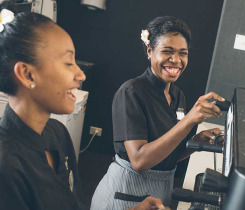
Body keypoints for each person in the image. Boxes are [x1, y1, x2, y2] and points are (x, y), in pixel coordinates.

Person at [0, 2, 168, 210]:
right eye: (68, 63)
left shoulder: (57, 132)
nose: (80, 75)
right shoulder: (6, 167)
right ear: (27, 74)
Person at [91, 16, 225, 210]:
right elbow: (139, 161)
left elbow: (167, 153)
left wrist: (196, 142)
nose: (176, 60)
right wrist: (188, 121)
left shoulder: (177, 95)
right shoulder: (131, 92)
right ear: (149, 51)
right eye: (167, 51)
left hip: (161, 189)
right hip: (127, 191)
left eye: (183, 53)